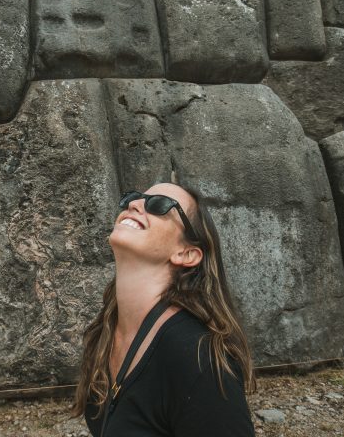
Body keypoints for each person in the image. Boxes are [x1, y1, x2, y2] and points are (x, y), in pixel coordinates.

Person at [71, 182, 257, 436]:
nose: (133, 204)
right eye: (133, 198)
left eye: (159, 205)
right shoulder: (103, 333)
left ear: (187, 253)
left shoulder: (197, 358)